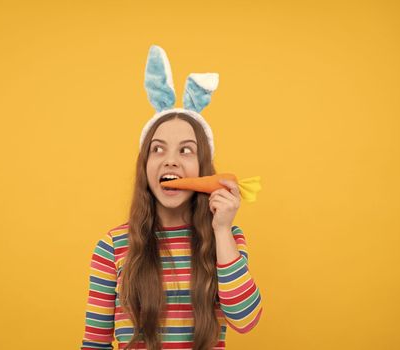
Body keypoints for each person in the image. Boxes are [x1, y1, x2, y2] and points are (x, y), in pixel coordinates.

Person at [80, 45, 263, 350]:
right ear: (146, 166)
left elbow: (246, 319)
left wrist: (221, 229)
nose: (171, 161)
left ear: (203, 167)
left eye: (186, 150)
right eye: (158, 149)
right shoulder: (112, 247)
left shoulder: (228, 239)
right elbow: (94, 344)